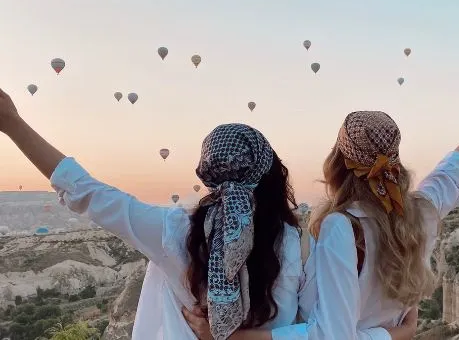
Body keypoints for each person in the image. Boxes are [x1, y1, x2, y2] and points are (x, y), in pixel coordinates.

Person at [182, 52, 459, 340]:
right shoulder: (422, 211)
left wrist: (235, 336)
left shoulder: (341, 228)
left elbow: (332, 335)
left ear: (338, 160)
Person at [0, 101, 401, 340]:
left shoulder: (174, 232)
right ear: (274, 173)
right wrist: (394, 330)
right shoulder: (299, 241)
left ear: (207, 174)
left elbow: (86, 191)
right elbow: (320, 329)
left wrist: (13, 124)